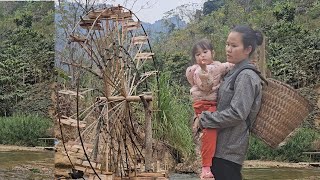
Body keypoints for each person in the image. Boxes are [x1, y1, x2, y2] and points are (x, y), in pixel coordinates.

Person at [199, 25, 264, 180]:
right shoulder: (232, 72)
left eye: (234, 46)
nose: (228, 49)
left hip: (229, 152)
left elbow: (237, 113)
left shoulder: (246, 76)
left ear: (248, 49)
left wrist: (205, 119)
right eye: (227, 44)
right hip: (220, 150)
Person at [186, 39, 233, 179]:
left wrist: (244, 63)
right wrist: (204, 71)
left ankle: (218, 163)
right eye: (198, 54)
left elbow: (228, 66)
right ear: (195, 58)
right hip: (204, 104)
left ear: (213, 53)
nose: (202, 56)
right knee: (210, 132)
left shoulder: (217, 66)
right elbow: (206, 87)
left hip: (213, 104)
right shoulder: (197, 71)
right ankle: (206, 167)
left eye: (205, 52)